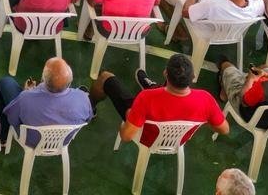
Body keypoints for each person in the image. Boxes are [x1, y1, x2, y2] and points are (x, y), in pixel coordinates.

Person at [89, 53, 229, 144]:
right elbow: (225, 130)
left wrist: (129, 115)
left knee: (105, 77)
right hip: (177, 141)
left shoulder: (146, 98)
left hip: (146, 137)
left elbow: (125, 136)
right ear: (193, 77)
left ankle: (90, 108)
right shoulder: (206, 99)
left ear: (165, 74)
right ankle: (151, 84)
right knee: (156, 93)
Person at [0, 57, 93, 145]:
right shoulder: (83, 98)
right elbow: (88, 118)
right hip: (62, 141)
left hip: (31, 141)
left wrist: (27, 92)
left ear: (43, 79)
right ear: (69, 82)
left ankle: (3, 138)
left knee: (6, 82)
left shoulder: (25, 98)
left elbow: (12, 119)